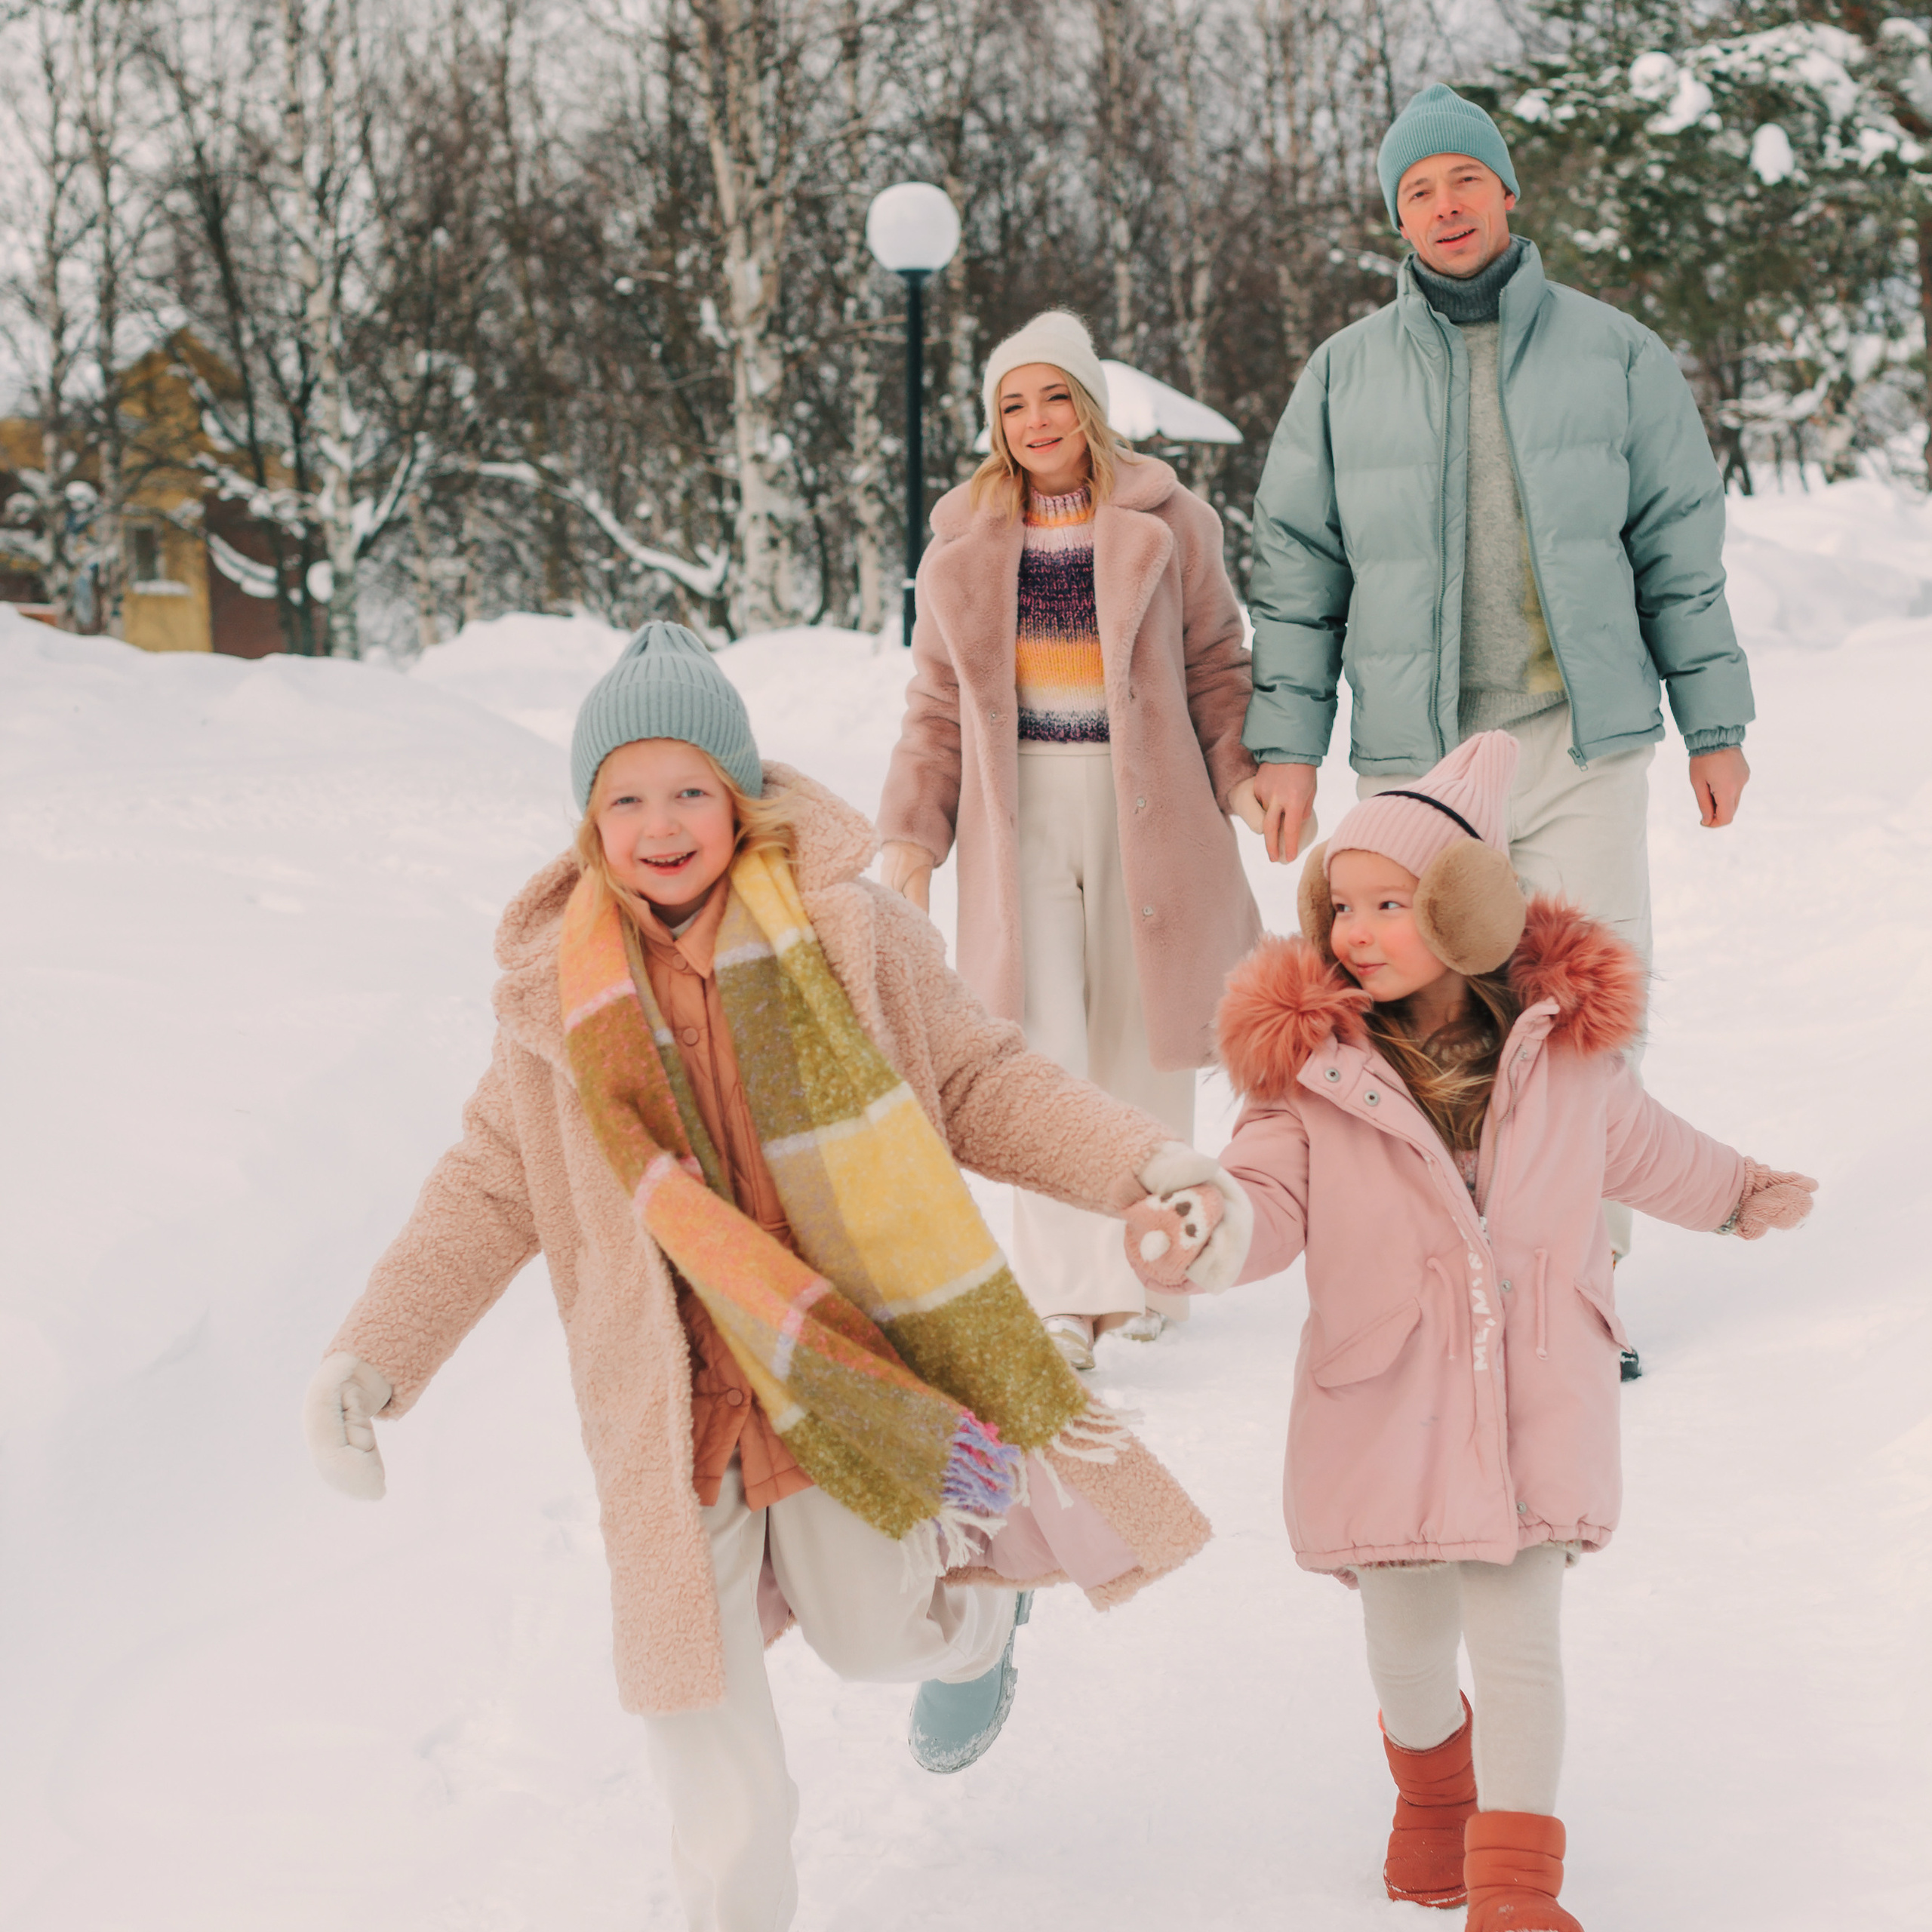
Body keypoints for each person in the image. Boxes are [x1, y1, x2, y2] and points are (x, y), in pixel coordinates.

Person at [301, 623, 1251, 1932]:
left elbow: (982, 1082)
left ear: (741, 802)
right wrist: (375, 1354)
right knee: (707, 1743)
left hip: (837, 1370)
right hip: (673, 1410)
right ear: (588, 824)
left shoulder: (847, 935)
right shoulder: (549, 1010)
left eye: (691, 787)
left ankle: (978, 1632)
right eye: (625, 796)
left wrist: (1143, 1165)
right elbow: (483, 1191)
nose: (661, 821)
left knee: (873, 1632)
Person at [1131, 732, 1815, 1931]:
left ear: (1468, 910)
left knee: (1519, 1646)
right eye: (1342, 904)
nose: (1357, 930)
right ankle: (1432, 1793)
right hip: (1384, 1394)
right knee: (1405, 1648)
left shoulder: (1565, 1056)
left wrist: (1741, 1191)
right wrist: (1209, 1229)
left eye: (1390, 904)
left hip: (1536, 1396)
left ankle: (1515, 1891)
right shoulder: (1312, 1073)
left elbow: (1651, 1150)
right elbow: (1267, 1194)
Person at [1241, 85, 1757, 1366]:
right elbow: (1296, 573)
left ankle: (1586, 1279)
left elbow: (1676, 555)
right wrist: (1290, 748)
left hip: (1577, 739)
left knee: (1586, 1011)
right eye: (1418, 190)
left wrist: (1714, 719)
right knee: (1434, 1018)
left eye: (1465, 179)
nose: (1446, 205)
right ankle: (1451, 1274)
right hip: (1420, 765)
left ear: (1509, 195)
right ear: (1396, 219)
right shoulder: (1343, 373)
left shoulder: (1617, 354)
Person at [878, 309, 1263, 1372]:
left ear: (1087, 406)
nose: (1036, 420)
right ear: (995, 423)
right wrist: (912, 834)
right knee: (1038, 1050)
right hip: (1022, 813)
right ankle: (1059, 1293)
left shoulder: (1170, 521)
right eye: (1013, 403)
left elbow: (1217, 667)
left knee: (1141, 1035)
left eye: (1054, 397)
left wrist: (1245, 781)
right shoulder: (960, 546)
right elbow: (935, 708)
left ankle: (1152, 1270)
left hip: (1151, 804)